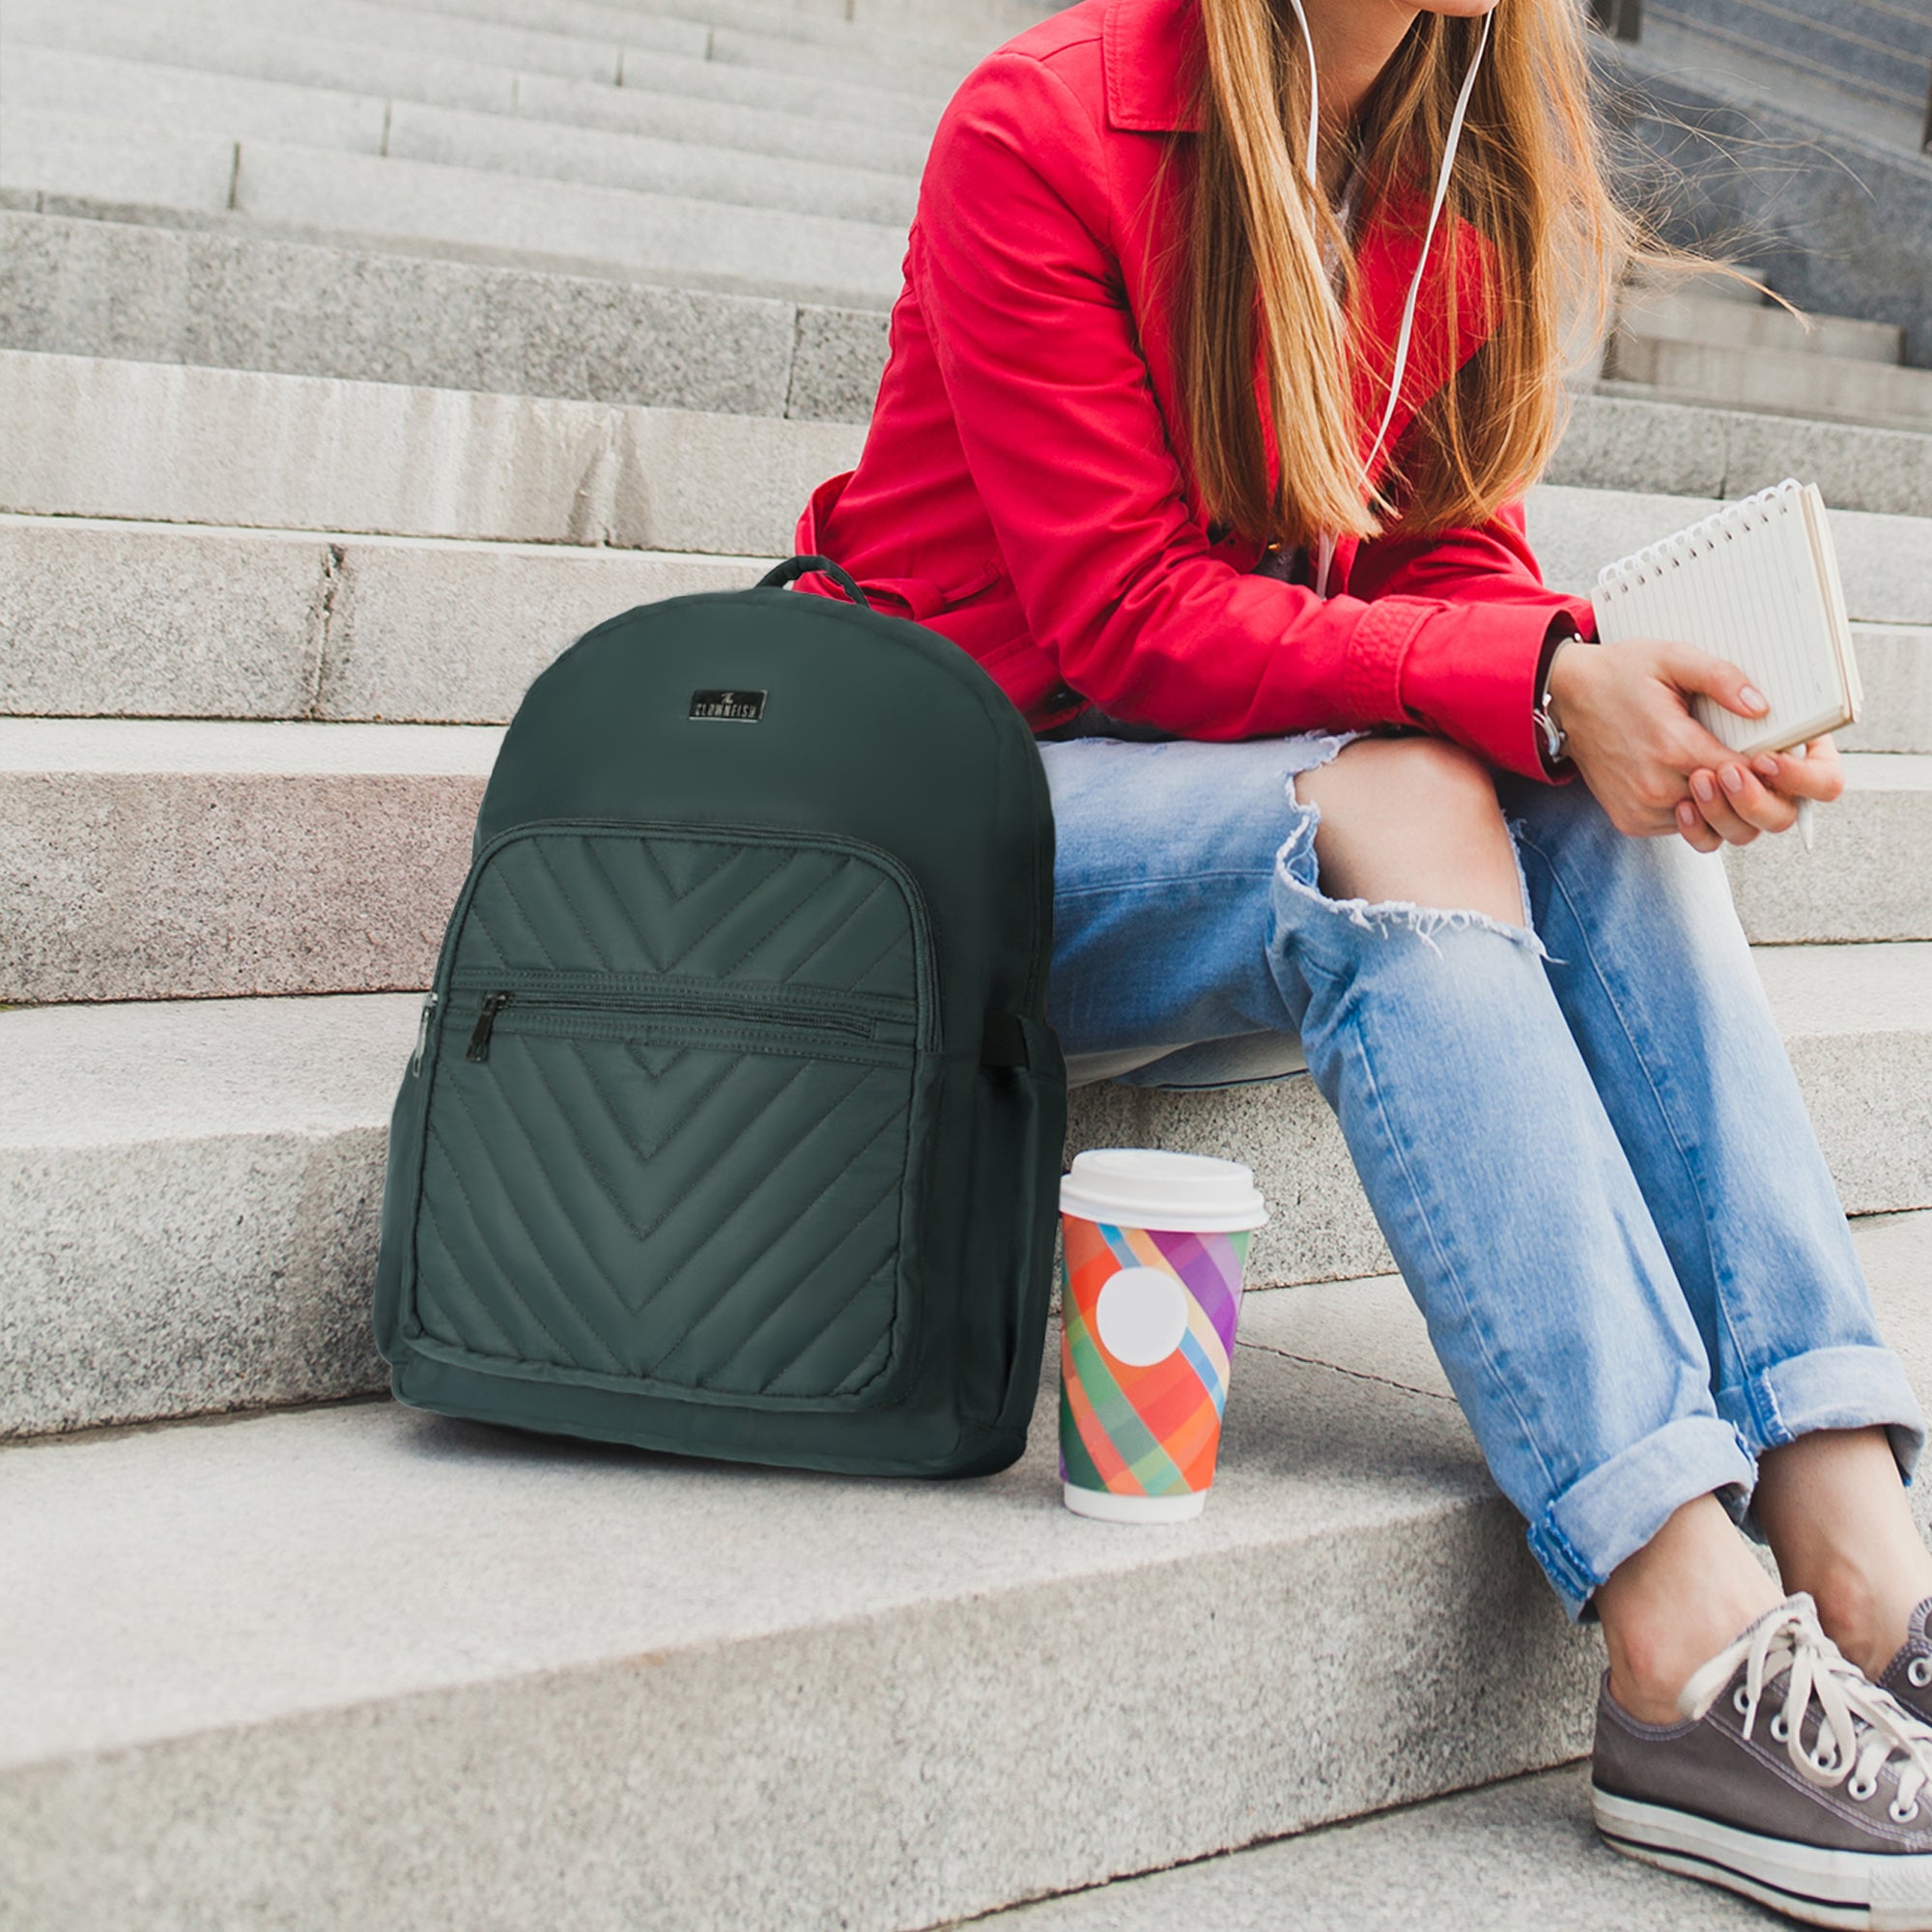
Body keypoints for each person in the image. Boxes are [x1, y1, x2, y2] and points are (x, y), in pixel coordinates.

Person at [790, 0, 1932, 1918]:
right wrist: (1534, 683)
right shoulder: (1046, 131)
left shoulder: (1440, 157)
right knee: (1415, 792)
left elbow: (1446, 568)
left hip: (1196, 785)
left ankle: (1853, 1540)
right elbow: (1124, 611)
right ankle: (1673, 1623)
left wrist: (1623, 696)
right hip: (951, 807)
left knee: (1571, 787)